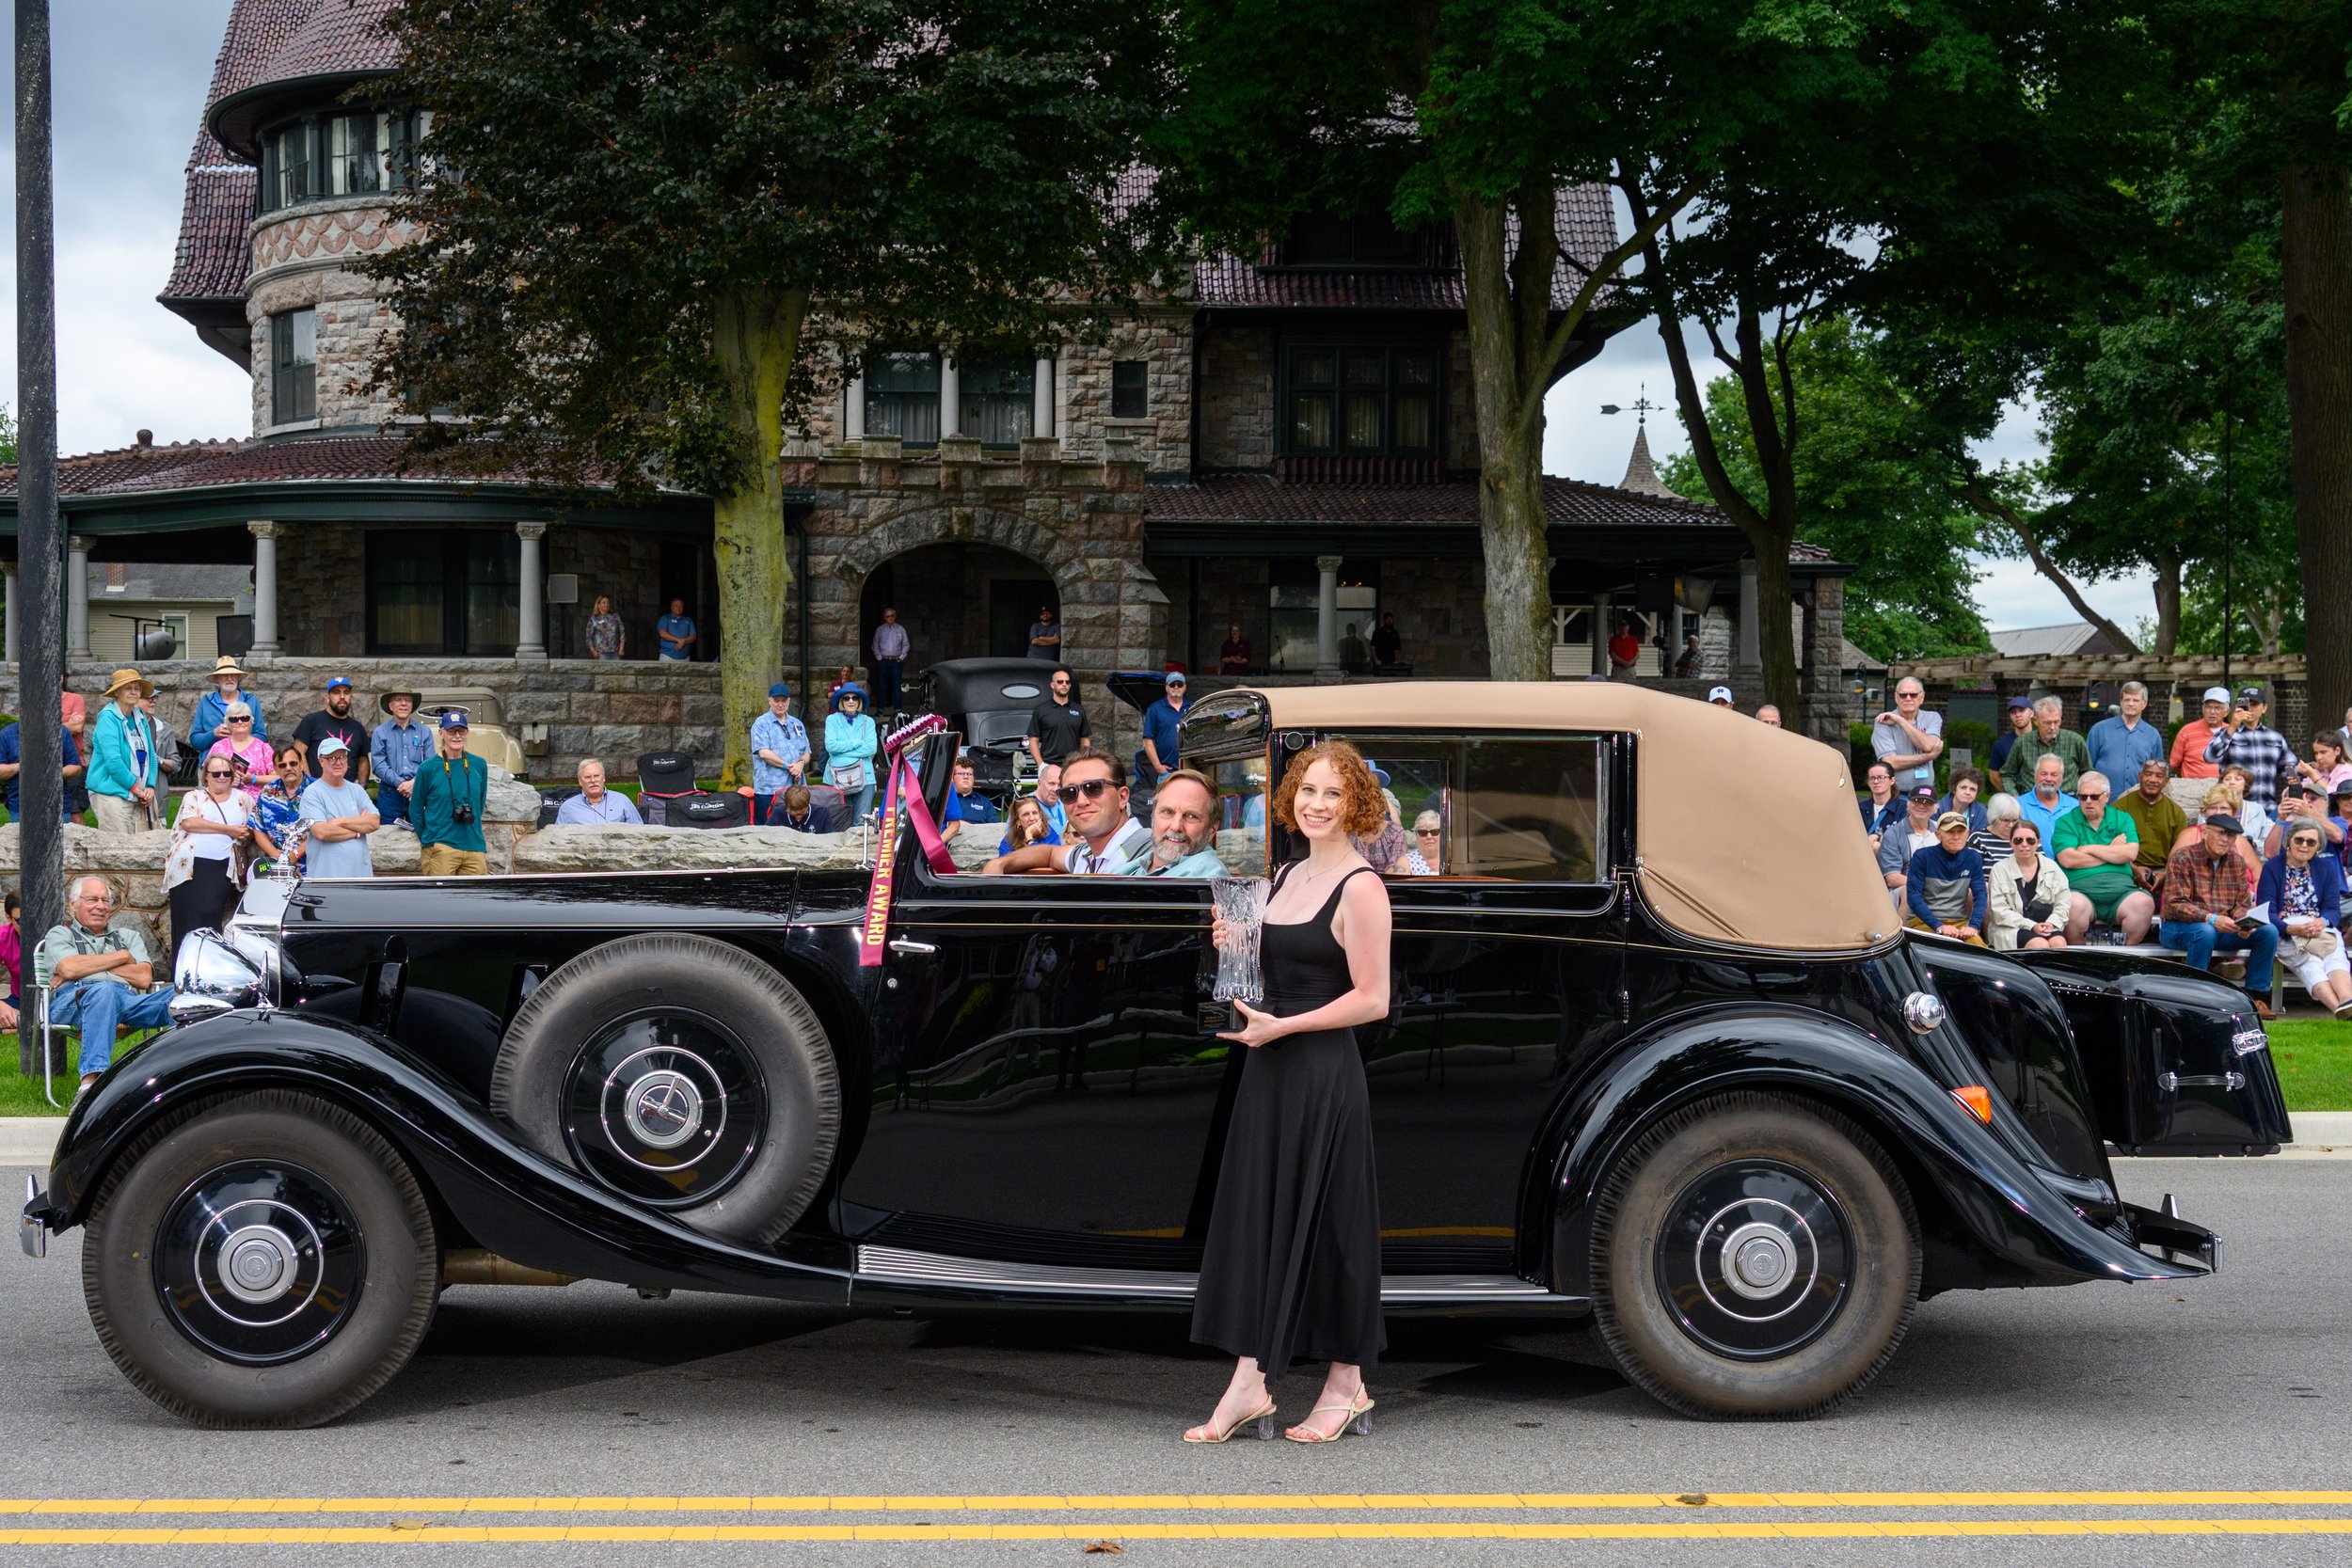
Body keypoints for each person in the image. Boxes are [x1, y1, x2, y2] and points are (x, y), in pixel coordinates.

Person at [1189, 739, 1389, 1445]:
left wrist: (1286, 1026)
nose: (1318, 804)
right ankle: (1250, 1383)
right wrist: (1231, 949)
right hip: (1268, 1066)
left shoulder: (1362, 886)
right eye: (1308, 790)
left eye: (1334, 793)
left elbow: (1373, 999)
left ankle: (1346, 1382)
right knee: (1260, 1219)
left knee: (1329, 1227)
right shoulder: (1282, 875)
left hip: (1319, 1073)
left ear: (1356, 802)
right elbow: (1268, 975)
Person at [40, 875, 177, 1101]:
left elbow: (143, 978)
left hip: (127, 1002)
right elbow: (68, 968)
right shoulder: (59, 934)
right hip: (74, 1000)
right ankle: (91, 1085)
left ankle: (179, 1072)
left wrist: (87, 965)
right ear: (73, 904)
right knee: (104, 991)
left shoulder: (128, 937)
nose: (100, 906)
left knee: (182, 995)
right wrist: (122, 958)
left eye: (105, 900)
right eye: (92, 899)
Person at [2159, 813, 2279, 1012]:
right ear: (2205, 832)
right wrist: (2210, 918)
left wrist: (2242, 924)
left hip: (2223, 928)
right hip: (2178, 928)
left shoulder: (2237, 862)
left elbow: (2242, 903)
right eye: (2221, 833)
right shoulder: (2183, 858)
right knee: (2205, 931)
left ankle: (2256, 998)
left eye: (2231, 836)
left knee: (2269, 932)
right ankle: (2196, 996)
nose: (2225, 840)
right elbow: (2175, 904)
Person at [983, 749, 1148, 875]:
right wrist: (999, 863)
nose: (1081, 801)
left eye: (1094, 788)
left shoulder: (1148, 848)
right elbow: (1050, 853)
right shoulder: (1086, 854)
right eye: (1069, 793)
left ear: (1122, 796)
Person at [167, 753, 265, 956]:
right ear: (206, 777)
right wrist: (229, 829)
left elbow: (254, 827)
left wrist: (245, 833)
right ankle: (182, 966)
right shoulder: (194, 796)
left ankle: (209, 965)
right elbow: (189, 822)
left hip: (222, 864)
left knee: (210, 912)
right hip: (189, 866)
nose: (222, 777)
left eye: (227, 773)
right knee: (184, 918)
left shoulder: (243, 799)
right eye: (216, 773)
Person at [2261, 817, 2352, 1018]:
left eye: (2311, 842)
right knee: (2310, 963)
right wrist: (2289, 928)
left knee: (2335, 957)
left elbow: (2332, 910)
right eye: (2299, 840)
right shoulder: (2272, 867)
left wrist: (2323, 921)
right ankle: (2339, 1009)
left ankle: (2346, 1002)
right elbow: (2266, 911)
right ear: (2289, 842)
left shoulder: (2326, 868)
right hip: (2286, 931)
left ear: (2318, 846)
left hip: (2320, 928)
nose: (2304, 845)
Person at [2053, 771, 2154, 942]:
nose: (2088, 801)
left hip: (2123, 892)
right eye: (2082, 796)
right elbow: (2069, 859)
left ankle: (2123, 959)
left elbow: (2130, 853)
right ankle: (2083, 961)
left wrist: (2088, 848)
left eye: (2094, 796)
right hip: (2080, 892)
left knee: (2144, 903)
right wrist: (2112, 851)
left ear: (2107, 796)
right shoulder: (2066, 822)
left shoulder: (2122, 818)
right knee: (2071, 905)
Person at [409, 713, 487, 876]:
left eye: (461, 731)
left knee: (477, 899)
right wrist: (430, 840)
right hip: (441, 846)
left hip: (474, 846)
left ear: (467, 733)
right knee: (441, 899)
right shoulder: (428, 768)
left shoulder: (479, 765)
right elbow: (416, 808)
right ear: (441, 733)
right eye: (452, 731)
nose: (457, 736)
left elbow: (479, 804)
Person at [87, 669, 163, 834]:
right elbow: (114, 763)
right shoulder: (108, 718)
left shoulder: (140, 716)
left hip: (140, 793)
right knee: (118, 850)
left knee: (143, 849)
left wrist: (149, 786)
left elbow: (151, 755)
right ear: (117, 692)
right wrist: (137, 789)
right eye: (128, 688)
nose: (134, 691)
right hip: (112, 794)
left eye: (137, 688)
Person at [2202, 685, 2297, 816]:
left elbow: (2289, 767)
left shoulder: (2275, 737)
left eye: (2255, 704)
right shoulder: (2226, 734)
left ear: (2264, 708)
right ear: (2237, 707)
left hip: (2268, 808)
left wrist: (2299, 772)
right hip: (2235, 808)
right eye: (2246, 704)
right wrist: (2233, 726)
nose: (2250, 709)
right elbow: (2209, 756)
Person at [298, 736, 381, 878]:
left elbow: (374, 822)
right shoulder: (312, 793)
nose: (338, 762)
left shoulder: (357, 790)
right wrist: (358, 830)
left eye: (342, 757)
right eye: (332, 758)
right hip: (327, 879)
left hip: (360, 877)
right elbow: (322, 832)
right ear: (321, 761)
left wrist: (338, 822)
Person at [1118, 769, 1227, 877]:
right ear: (1153, 817)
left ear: (1211, 830)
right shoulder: (1130, 868)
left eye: (1191, 816)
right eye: (1168, 812)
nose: (1176, 826)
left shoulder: (1206, 876)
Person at [1988, 817, 2075, 951]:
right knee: (2039, 945)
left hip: (2047, 925)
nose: (2024, 845)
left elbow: (2063, 903)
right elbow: (1999, 912)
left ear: (2038, 842)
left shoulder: (2052, 867)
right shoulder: (1999, 869)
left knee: (2058, 943)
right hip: (2013, 928)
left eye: (2030, 840)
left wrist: (2052, 923)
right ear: (2010, 842)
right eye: (2018, 840)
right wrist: (2031, 926)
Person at [1904, 811, 1989, 945]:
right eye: (1950, 832)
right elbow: (1914, 897)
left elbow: (1980, 895)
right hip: (1923, 922)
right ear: (1938, 835)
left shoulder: (1973, 858)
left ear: (1967, 834)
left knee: (1979, 947)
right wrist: (1938, 925)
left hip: (1959, 923)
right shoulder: (1922, 856)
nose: (1956, 837)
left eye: (1960, 832)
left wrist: (1973, 926)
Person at [2115, 758, 2188, 896]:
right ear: (2140, 776)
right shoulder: (2120, 807)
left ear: (2166, 781)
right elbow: (2109, 846)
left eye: (2159, 776)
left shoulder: (2176, 812)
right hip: (2126, 868)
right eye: (2148, 774)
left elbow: (2181, 852)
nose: (2153, 780)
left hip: (2164, 871)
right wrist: (2134, 869)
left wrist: (2165, 874)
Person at [0, 711, 84, 821]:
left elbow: (76, 768)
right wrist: (25, 765)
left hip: (58, 805)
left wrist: (55, 773)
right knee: (24, 839)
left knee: (61, 838)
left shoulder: (61, 732)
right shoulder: (6, 734)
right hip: (21, 806)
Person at [749, 683, 812, 825]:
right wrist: (788, 766)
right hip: (769, 789)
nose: (780, 704)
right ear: (769, 700)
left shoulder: (797, 724)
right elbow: (763, 753)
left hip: (796, 790)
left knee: (796, 827)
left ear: (789, 701)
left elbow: (807, 752)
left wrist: (800, 764)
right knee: (767, 830)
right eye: (776, 700)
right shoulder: (761, 724)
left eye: (784, 701)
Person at [2085, 681, 2165, 792]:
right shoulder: (2099, 730)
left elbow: (2158, 771)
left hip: (2138, 801)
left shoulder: (2153, 735)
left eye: (2135, 700)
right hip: (2104, 800)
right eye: (2127, 700)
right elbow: (2087, 767)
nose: (2130, 704)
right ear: (2121, 702)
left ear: (2144, 704)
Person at [369, 688, 431, 829]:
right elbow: (378, 765)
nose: (403, 703)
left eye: (407, 700)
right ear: (391, 706)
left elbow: (429, 764)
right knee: (387, 837)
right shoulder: (380, 732)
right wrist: (402, 784)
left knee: (420, 835)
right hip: (390, 794)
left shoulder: (424, 732)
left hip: (418, 792)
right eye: (398, 699)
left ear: (412, 706)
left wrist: (414, 783)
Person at [293, 676, 371, 784]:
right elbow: (298, 753)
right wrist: (310, 784)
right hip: (318, 791)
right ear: (328, 697)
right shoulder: (311, 721)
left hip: (347, 793)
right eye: (336, 692)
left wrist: (362, 787)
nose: (342, 697)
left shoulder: (357, 727)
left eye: (346, 692)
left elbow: (363, 760)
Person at [1871, 677, 1945, 792]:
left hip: (1925, 793)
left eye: (1913, 695)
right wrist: (1929, 756)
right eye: (1903, 695)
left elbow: (1929, 745)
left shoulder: (1933, 717)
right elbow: (1890, 762)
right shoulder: (1883, 721)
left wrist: (1901, 721)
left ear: (1922, 697)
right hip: (1897, 794)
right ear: (1896, 697)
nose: (1908, 698)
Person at [822, 683, 881, 823]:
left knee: (861, 824)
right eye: (846, 698)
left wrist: (840, 753)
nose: (850, 701)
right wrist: (855, 743)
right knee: (838, 822)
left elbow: (871, 748)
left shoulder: (868, 721)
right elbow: (830, 746)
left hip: (865, 779)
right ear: (841, 701)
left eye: (855, 698)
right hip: (836, 777)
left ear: (859, 701)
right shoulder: (832, 719)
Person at [2010, 696, 2092, 794]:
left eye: (2056, 722)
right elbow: (2007, 774)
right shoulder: (2022, 743)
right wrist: (2015, 796)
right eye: (2047, 723)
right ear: (2036, 721)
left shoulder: (2075, 741)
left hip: (2069, 801)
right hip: (2031, 801)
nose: (2052, 727)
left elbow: (2088, 773)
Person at [186, 656, 265, 757]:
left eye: (233, 675)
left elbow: (261, 736)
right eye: (224, 675)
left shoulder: (251, 701)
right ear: (217, 679)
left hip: (246, 764)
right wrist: (213, 734)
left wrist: (239, 736)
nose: (229, 678)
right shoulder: (205, 702)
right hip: (212, 767)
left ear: (237, 677)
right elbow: (195, 741)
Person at [2167, 687, 2232, 810]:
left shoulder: (2233, 733)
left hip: (2224, 796)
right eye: (2208, 707)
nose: (2212, 712)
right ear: (2202, 709)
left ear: (2226, 711)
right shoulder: (2187, 731)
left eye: (2217, 708)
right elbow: (2174, 764)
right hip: (2191, 796)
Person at [249, 744, 308, 879]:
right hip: (275, 866)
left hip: (312, 863)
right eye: (282, 765)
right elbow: (258, 829)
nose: (288, 768)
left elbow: (323, 829)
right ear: (275, 769)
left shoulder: (316, 790)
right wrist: (280, 859)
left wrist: (295, 855)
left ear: (301, 765)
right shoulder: (267, 792)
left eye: (293, 763)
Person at [1879, 783, 1942, 902]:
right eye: (1917, 801)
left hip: (1941, 887)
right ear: (1908, 805)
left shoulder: (1942, 830)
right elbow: (1893, 878)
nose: (1922, 806)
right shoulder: (1893, 834)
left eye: (1928, 803)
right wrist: (1930, 885)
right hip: (1904, 889)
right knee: (1910, 892)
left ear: (1935, 809)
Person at [204, 701, 274, 802]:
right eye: (234, 719)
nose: (240, 722)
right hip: (225, 802)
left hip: (259, 804)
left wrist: (254, 779)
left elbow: (278, 777)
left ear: (251, 721)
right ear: (227, 723)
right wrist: (227, 781)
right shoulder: (218, 747)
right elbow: (207, 777)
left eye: (245, 718)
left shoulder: (263, 747)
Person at [1025, 667, 1091, 771]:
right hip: (1049, 765)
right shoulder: (1041, 710)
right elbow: (1033, 741)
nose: (1064, 684)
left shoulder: (1078, 709)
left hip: (1073, 765)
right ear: (1052, 685)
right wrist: (1041, 765)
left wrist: (1083, 760)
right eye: (1060, 682)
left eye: (1067, 682)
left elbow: (1085, 739)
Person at [556, 759, 644, 825]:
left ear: (604, 778)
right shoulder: (567, 808)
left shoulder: (622, 801)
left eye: (596, 776)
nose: (593, 780)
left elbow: (640, 831)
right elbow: (557, 839)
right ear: (580, 781)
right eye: (587, 777)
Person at [2017, 753, 2079, 845]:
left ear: (2061, 778)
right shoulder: (2019, 805)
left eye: (2054, 774)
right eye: (2043, 774)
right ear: (2035, 775)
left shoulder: (2075, 806)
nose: (2048, 778)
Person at [1139, 672, 1187, 785]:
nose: (1176, 687)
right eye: (1172, 685)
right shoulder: (1155, 709)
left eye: (1179, 685)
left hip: (1189, 770)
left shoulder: (1192, 708)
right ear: (1166, 687)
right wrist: (1158, 767)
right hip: (1166, 772)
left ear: (1185, 687)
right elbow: (1147, 741)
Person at [940, 756, 998, 842]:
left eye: (969, 774)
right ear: (952, 778)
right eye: (962, 773)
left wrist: (965, 826)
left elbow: (994, 830)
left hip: (979, 843)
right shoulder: (945, 800)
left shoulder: (985, 802)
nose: (966, 777)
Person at [1988, 695, 2033, 792]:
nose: (2017, 715)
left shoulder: (2042, 740)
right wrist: (2011, 796)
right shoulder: (2001, 744)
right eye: (2013, 712)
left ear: (2031, 713)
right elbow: (1994, 777)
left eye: (2022, 710)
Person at [871, 607, 910, 711]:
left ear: (895, 616)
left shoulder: (900, 629)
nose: (890, 618)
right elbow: (875, 644)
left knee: (897, 686)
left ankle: (897, 709)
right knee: (882, 686)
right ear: (884, 617)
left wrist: (901, 657)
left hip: (896, 661)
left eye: (892, 616)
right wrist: (879, 657)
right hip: (883, 660)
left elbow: (906, 645)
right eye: (888, 616)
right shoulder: (880, 629)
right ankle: (880, 709)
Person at [995, 794, 1059, 856]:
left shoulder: (1051, 836)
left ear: (1041, 816)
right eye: (1026, 814)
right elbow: (1004, 864)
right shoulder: (1008, 842)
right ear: (1018, 821)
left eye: (1034, 813)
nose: (1032, 818)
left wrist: (1030, 838)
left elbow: (1040, 861)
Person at [1934, 767, 1989, 833]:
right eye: (1963, 787)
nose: (1968, 792)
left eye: (1972, 789)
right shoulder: (1937, 808)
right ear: (1954, 789)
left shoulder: (1982, 812)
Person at [2296, 731, 2352, 797]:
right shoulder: (2319, 771)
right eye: (2316, 753)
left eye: (2323, 752)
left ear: (2337, 751)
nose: (2318, 757)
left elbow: (2334, 796)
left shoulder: (2347, 772)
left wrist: (2312, 775)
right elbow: (2302, 790)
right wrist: (2294, 784)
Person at [1974, 793, 2023, 863]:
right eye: (2006, 820)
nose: (2011, 825)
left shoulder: (2027, 836)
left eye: (2015, 820)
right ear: (1994, 818)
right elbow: (1971, 870)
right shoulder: (1978, 839)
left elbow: (2042, 865)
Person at [0, 890, 23, 1032]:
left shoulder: (57, 932)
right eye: (21, 921)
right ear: (9, 918)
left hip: (54, 1000)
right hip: (19, 1000)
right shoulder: (3, 936)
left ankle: (20, 1023)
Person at [1859, 761, 1900, 838]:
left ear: (1892, 780)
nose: (1876, 781)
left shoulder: (1903, 808)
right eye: (1872, 778)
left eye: (1881, 777)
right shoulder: (1860, 809)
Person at [584, 593, 626, 659]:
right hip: (601, 652)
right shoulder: (594, 619)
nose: (606, 604)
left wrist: (621, 648)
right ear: (598, 605)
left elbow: (622, 633)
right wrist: (593, 651)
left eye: (608, 603)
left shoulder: (615, 617)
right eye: (604, 603)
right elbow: (588, 637)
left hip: (615, 651)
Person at [1403, 809, 1443, 875]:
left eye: (1434, 832)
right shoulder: (1406, 862)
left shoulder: (1452, 860)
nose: (1429, 837)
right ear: (1416, 835)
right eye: (1423, 833)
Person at [656, 596, 698, 660]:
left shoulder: (688, 620)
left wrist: (684, 641)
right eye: (676, 605)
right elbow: (663, 634)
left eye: (681, 606)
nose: (678, 608)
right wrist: (678, 640)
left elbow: (693, 636)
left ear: (683, 608)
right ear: (671, 607)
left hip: (685, 658)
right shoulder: (665, 618)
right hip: (667, 657)